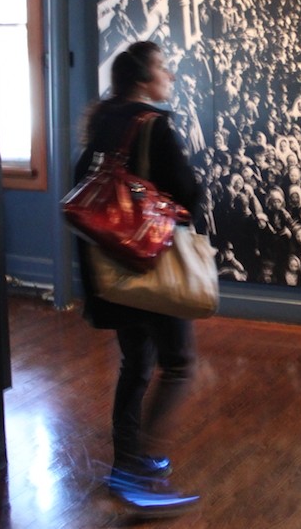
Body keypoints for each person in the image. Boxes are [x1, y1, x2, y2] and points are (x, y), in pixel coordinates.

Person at [73, 41, 203, 514]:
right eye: (163, 68)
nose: (169, 74)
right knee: (180, 365)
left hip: (113, 269)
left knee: (136, 364)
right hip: (151, 265)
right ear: (144, 79)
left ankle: (128, 461)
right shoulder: (155, 125)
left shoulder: (103, 121)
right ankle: (137, 475)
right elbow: (186, 192)